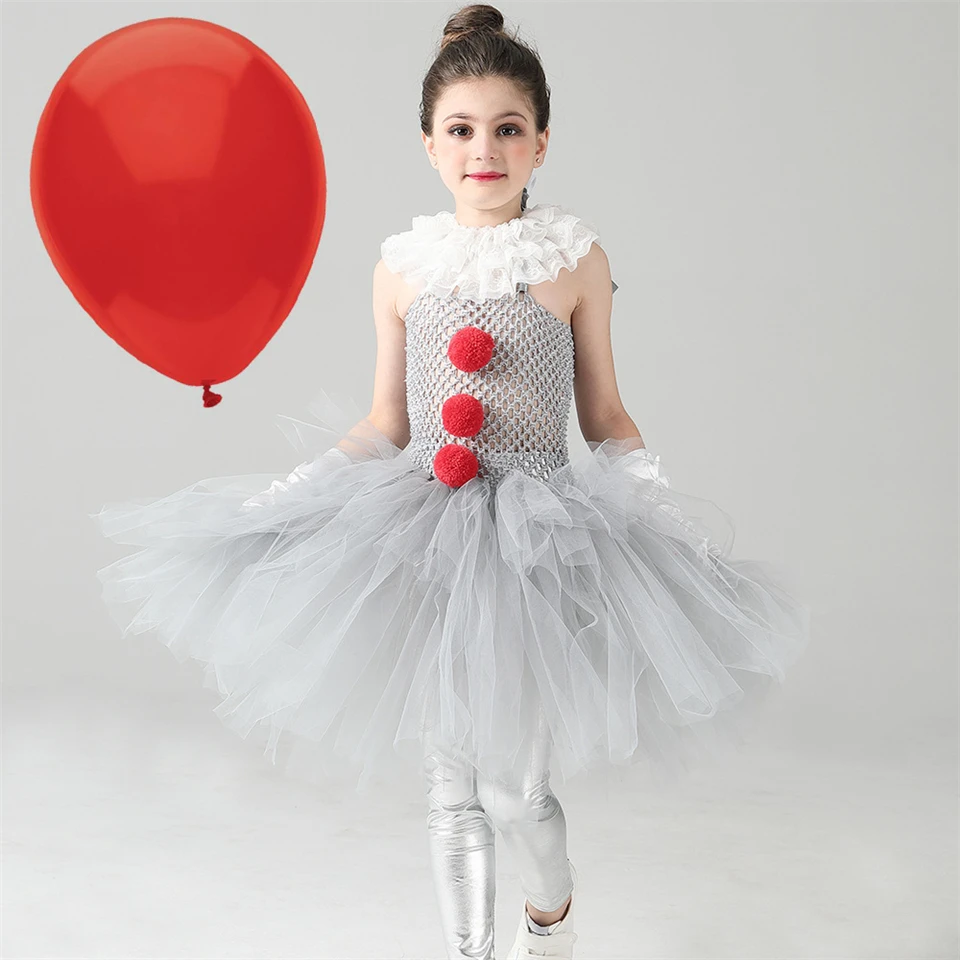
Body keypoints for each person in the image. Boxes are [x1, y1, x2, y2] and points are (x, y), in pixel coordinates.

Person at [90, 5, 811, 958]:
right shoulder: (402, 269)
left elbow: (604, 413)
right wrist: (298, 489)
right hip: (426, 536)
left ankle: (549, 926)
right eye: (461, 130)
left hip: (541, 541)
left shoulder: (574, 261)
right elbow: (386, 421)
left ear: (542, 142)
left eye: (508, 128)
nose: (485, 150)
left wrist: (658, 505)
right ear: (430, 147)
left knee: (517, 793)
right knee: (451, 793)